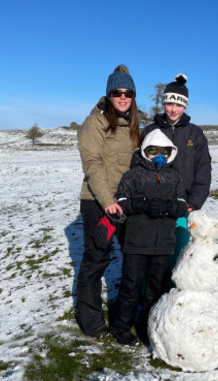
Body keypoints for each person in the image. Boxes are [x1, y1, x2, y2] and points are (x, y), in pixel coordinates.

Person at [105, 128, 188, 345]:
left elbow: (182, 206)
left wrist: (167, 207)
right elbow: (121, 203)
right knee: (130, 286)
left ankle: (148, 324)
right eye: (153, 150)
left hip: (163, 243)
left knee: (156, 288)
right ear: (144, 151)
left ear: (171, 153)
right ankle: (121, 326)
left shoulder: (175, 177)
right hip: (136, 241)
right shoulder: (132, 175)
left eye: (164, 150)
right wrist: (142, 204)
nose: (158, 154)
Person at [75, 64, 140, 338]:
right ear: (109, 95)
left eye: (128, 92)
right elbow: (93, 163)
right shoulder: (95, 122)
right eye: (117, 92)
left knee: (133, 255)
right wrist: (108, 201)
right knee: (96, 258)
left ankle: (125, 313)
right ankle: (90, 321)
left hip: (126, 201)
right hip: (97, 201)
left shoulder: (136, 124)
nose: (123, 97)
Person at [140, 74, 212, 280]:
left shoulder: (195, 134)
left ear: (185, 107)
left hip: (182, 206)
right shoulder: (150, 130)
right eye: (169, 103)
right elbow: (138, 165)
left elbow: (203, 171)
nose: (173, 109)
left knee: (177, 253)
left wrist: (194, 202)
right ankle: (148, 300)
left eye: (178, 105)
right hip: (152, 204)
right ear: (164, 103)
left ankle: (173, 299)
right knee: (151, 253)